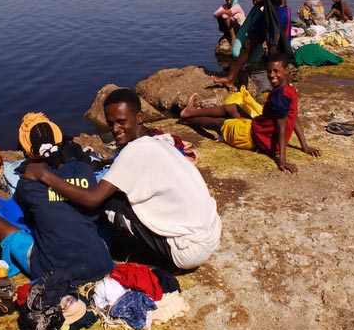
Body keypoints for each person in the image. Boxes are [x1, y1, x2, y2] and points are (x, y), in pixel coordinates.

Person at [21, 89, 221, 271]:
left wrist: (43, 175)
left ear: (139, 118)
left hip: (188, 250)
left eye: (121, 122)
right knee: (118, 197)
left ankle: (132, 253)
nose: (115, 129)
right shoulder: (157, 143)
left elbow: (92, 199)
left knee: (107, 205)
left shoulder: (135, 151)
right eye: (110, 124)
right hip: (210, 233)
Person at [0, 113, 113, 285]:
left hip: (55, 270)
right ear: (60, 140)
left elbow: (24, 220)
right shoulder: (83, 169)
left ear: (29, 152)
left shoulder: (27, 184)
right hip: (99, 263)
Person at [182, 53, 321, 174]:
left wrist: (282, 161)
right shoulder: (288, 89)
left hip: (251, 136)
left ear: (286, 71)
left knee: (220, 123)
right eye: (269, 71)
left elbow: (282, 127)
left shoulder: (281, 97)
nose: (272, 75)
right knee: (231, 108)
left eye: (276, 71)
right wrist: (305, 147)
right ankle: (190, 112)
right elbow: (294, 118)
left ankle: (188, 120)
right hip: (257, 127)